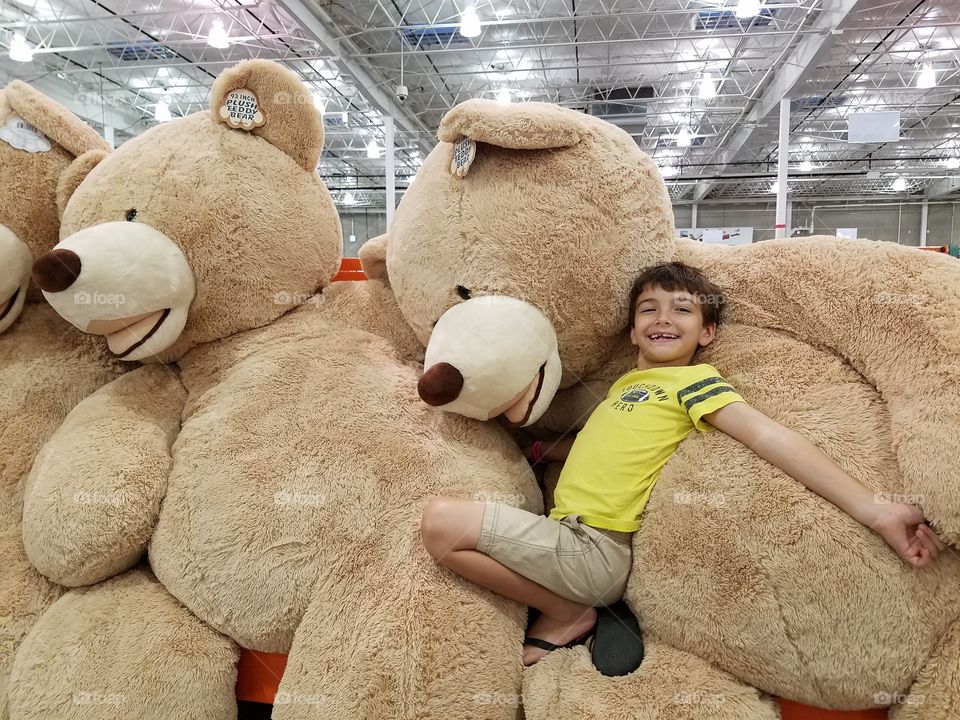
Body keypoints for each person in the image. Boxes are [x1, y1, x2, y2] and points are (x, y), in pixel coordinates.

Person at [419, 261, 944, 669]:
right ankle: (565, 606)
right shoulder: (627, 386)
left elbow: (767, 435)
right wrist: (537, 450)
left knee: (440, 522)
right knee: (446, 523)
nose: (663, 319)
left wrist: (875, 510)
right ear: (631, 332)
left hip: (595, 549)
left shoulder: (694, 381)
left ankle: (567, 612)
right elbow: (601, 446)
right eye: (648, 309)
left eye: (682, 310)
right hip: (563, 535)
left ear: (707, 333)